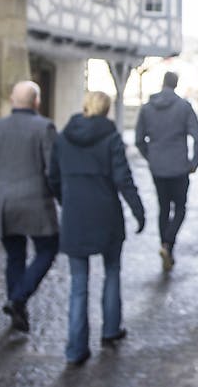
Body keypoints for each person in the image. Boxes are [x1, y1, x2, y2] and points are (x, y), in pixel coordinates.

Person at [49, 91, 145, 367]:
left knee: (78, 284)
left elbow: (52, 176)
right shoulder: (111, 138)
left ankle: (75, 348)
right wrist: (138, 211)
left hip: (75, 215)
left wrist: (64, 200)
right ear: (106, 111)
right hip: (106, 214)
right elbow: (123, 179)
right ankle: (110, 329)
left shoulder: (63, 138)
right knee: (112, 272)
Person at [0, 80, 59, 333]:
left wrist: (1, 187)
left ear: (12, 100)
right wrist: (57, 195)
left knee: (14, 256)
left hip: (5, 202)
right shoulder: (44, 127)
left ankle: (17, 306)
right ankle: (18, 299)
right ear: (36, 101)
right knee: (47, 250)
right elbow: (52, 169)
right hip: (36, 201)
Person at [134, 71, 198, 271]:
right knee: (180, 208)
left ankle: (165, 245)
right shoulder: (184, 107)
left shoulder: (147, 109)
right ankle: (168, 243)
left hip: (158, 167)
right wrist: (194, 162)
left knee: (163, 208)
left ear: (162, 83)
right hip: (180, 166)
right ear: (176, 84)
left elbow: (139, 140)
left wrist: (151, 157)